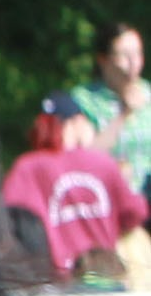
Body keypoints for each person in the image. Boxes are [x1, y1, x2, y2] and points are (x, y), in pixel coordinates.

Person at [1, 102, 146, 286]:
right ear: (77, 121)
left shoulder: (28, 167)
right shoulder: (101, 162)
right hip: (104, 277)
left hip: (55, 286)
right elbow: (135, 213)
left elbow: (7, 220)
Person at [64, 24, 151, 192]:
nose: (133, 63)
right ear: (103, 60)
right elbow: (83, 157)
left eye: (137, 53)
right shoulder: (84, 100)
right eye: (124, 55)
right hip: (108, 199)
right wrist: (124, 114)